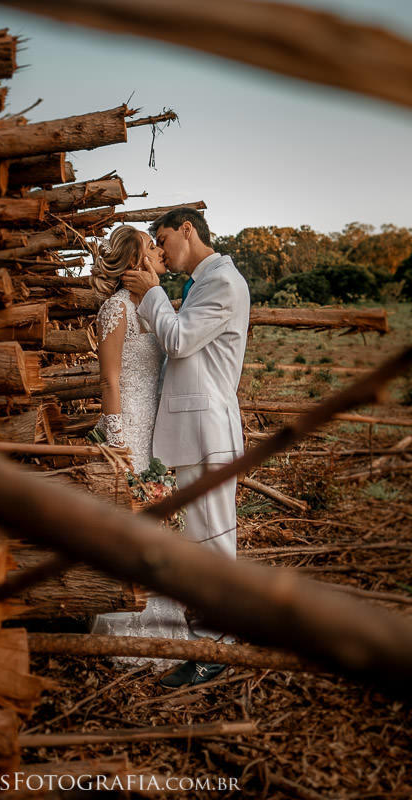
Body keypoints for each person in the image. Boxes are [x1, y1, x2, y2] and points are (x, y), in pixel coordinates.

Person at [123, 207, 251, 688]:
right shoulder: (202, 282)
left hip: (209, 431)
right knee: (205, 540)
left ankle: (218, 650)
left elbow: (177, 342)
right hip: (197, 430)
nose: (163, 251)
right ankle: (214, 640)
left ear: (187, 230)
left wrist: (152, 294)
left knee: (214, 542)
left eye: (164, 239)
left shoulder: (222, 282)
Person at [85, 224, 194, 671]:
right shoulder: (115, 309)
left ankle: (162, 623)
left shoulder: (156, 306)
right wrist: (116, 443)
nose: (160, 252)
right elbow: (109, 380)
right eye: (152, 247)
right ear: (136, 261)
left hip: (156, 429)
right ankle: (126, 627)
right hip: (127, 426)